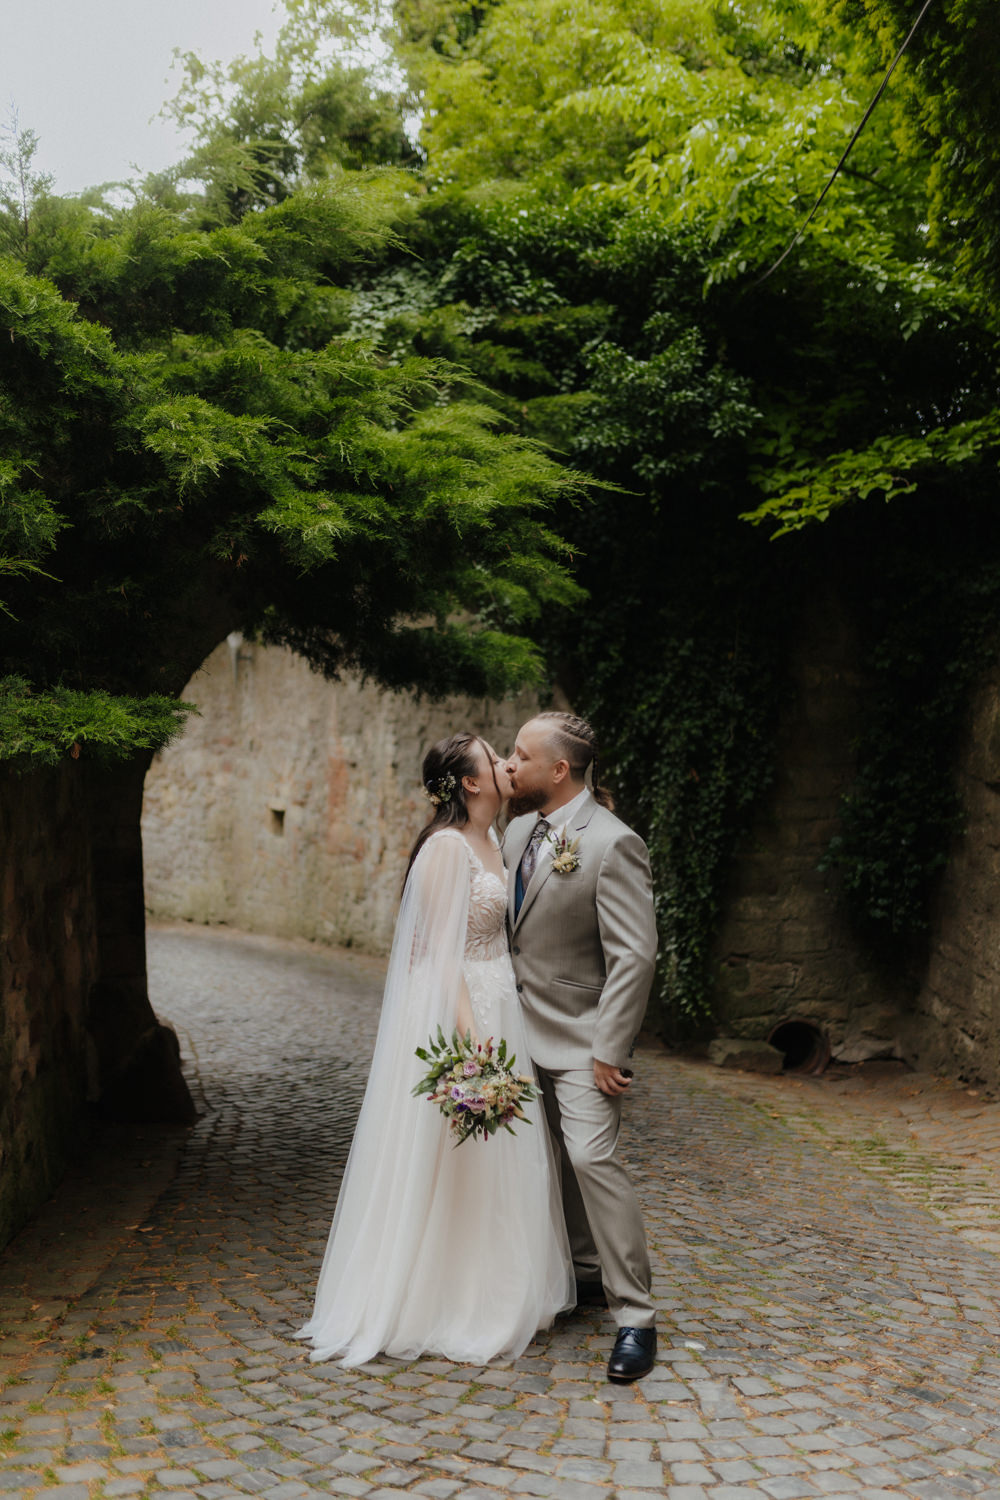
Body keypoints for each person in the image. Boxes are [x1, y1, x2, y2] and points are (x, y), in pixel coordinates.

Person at [295, 732, 573, 1367]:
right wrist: (473, 1034)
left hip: (500, 1001)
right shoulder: (447, 849)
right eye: (491, 758)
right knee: (447, 1155)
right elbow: (439, 956)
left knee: (494, 1161)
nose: (505, 764)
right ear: (470, 783)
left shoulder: (498, 840)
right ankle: (434, 1298)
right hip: (462, 1011)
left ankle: (489, 1284)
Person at [504, 711, 659, 1382]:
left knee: (592, 1157)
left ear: (558, 770)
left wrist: (609, 1047)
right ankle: (584, 1275)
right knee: (545, 1162)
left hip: (580, 1038)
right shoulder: (513, 833)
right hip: (511, 1031)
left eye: (520, 754)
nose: (510, 764)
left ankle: (636, 1319)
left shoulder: (613, 843)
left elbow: (636, 955)